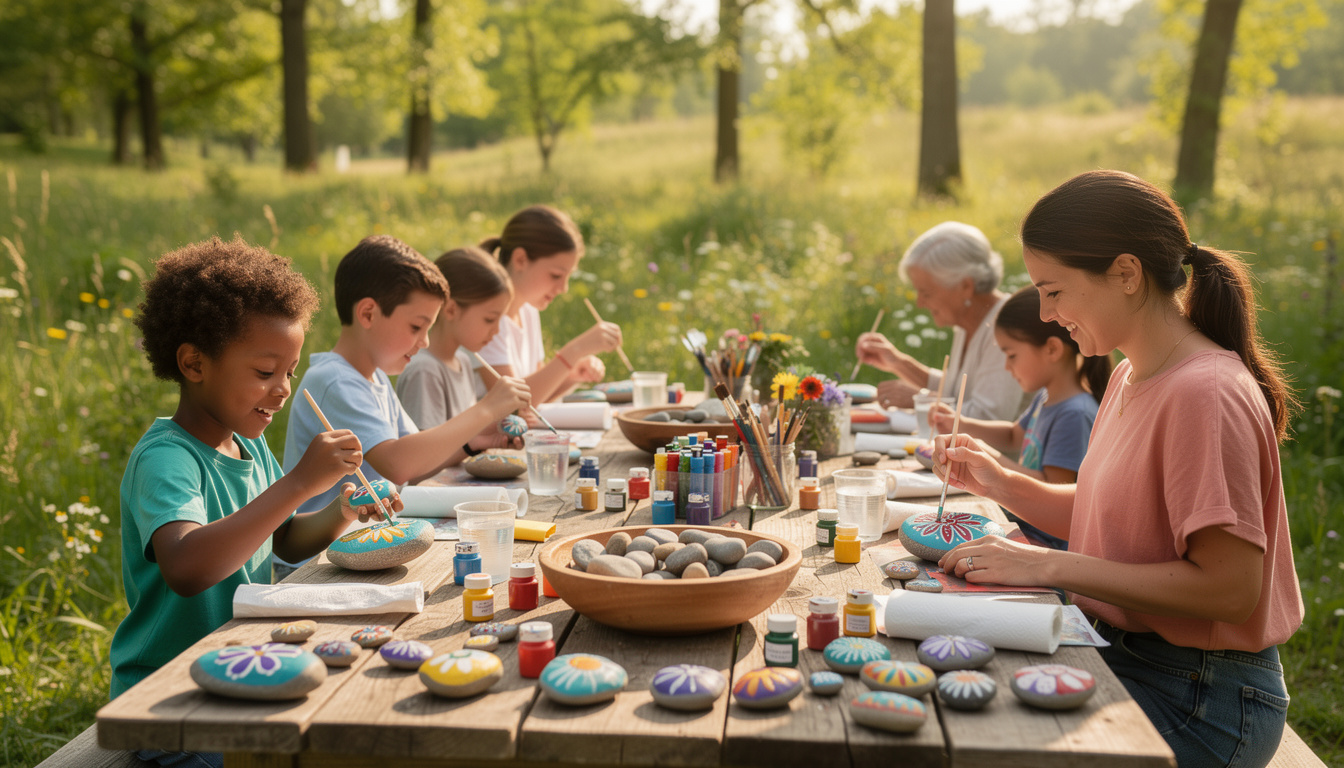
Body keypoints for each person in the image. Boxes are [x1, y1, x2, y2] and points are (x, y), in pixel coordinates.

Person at [934, 170, 1303, 768]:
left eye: (1054, 291)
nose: (1047, 314)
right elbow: (1114, 512)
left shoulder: (1204, 393)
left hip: (1201, 697)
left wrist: (1046, 562)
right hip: (1126, 652)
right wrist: (1000, 483)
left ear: (1126, 274)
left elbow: (1231, 589)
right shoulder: (1133, 373)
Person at [112, 237, 394, 767]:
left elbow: (281, 538)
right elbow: (188, 567)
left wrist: (341, 512)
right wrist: (297, 484)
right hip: (171, 705)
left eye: (288, 372)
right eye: (266, 373)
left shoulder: (250, 443)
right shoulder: (166, 459)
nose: (284, 389)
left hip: (241, 672)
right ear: (194, 364)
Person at [279, 236, 530, 573]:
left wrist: (473, 443)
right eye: (416, 326)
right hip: (317, 566)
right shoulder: (335, 380)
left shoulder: (374, 377)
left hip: (367, 552)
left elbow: (416, 463)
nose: (424, 341)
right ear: (368, 313)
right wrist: (486, 408)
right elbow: (397, 464)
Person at [929, 285, 1112, 549]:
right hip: (1022, 524)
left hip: (1044, 543)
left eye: (1011, 355)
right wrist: (961, 424)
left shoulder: (1075, 413)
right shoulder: (1046, 397)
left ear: (1052, 349)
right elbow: (1014, 435)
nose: (1006, 366)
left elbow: (1052, 488)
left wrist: (988, 458)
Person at [855, 221, 1026, 422]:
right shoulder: (967, 322)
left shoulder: (1006, 327)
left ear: (965, 286)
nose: (919, 303)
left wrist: (920, 400)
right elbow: (957, 392)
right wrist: (898, 362)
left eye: (926, 293)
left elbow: (988, 417)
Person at [475, 205, 623, 403]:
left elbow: (536, 395)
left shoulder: (527, 310)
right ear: (520, 260)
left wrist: (571, 375)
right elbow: (512, 404)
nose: (563, 288)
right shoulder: (487, 319)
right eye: (556, 275)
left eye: (568, 277)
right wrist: (574, 351)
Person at [396, 247, 531, 461]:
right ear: (451, 310)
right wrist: (487, 408)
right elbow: (419, 464)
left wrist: (492, 428)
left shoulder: (462, 360)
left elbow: (458, 439)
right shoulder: (425, 371)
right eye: (489, 319)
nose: (496, 331)